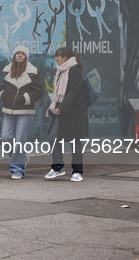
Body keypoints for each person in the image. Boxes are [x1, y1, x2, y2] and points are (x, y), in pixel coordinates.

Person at [0, 45, 44, 180]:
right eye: (17, 53)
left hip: (25, 111)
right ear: (14, 55)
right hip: (8, 110)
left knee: (19, 141)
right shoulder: (7, 70)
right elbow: (2, 86)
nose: (19, 55)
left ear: (26, 56)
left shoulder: (32, 72)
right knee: (5, 138)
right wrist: (3, 95)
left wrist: (26, 98)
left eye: (22, 54)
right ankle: (22, 157)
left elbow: (39, 91)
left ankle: (17, 170)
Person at [44, 47, 89, 182]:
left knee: (75, 141)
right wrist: (58, 107)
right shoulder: (60, 72)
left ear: (65, 58)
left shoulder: (74, 71)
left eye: (58, 56)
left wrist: (62, 107)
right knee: (54, 136)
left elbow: (74, 92)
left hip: (75, 112)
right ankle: (58, 168)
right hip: (62, 111)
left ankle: (77, 171)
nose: (56, 58)